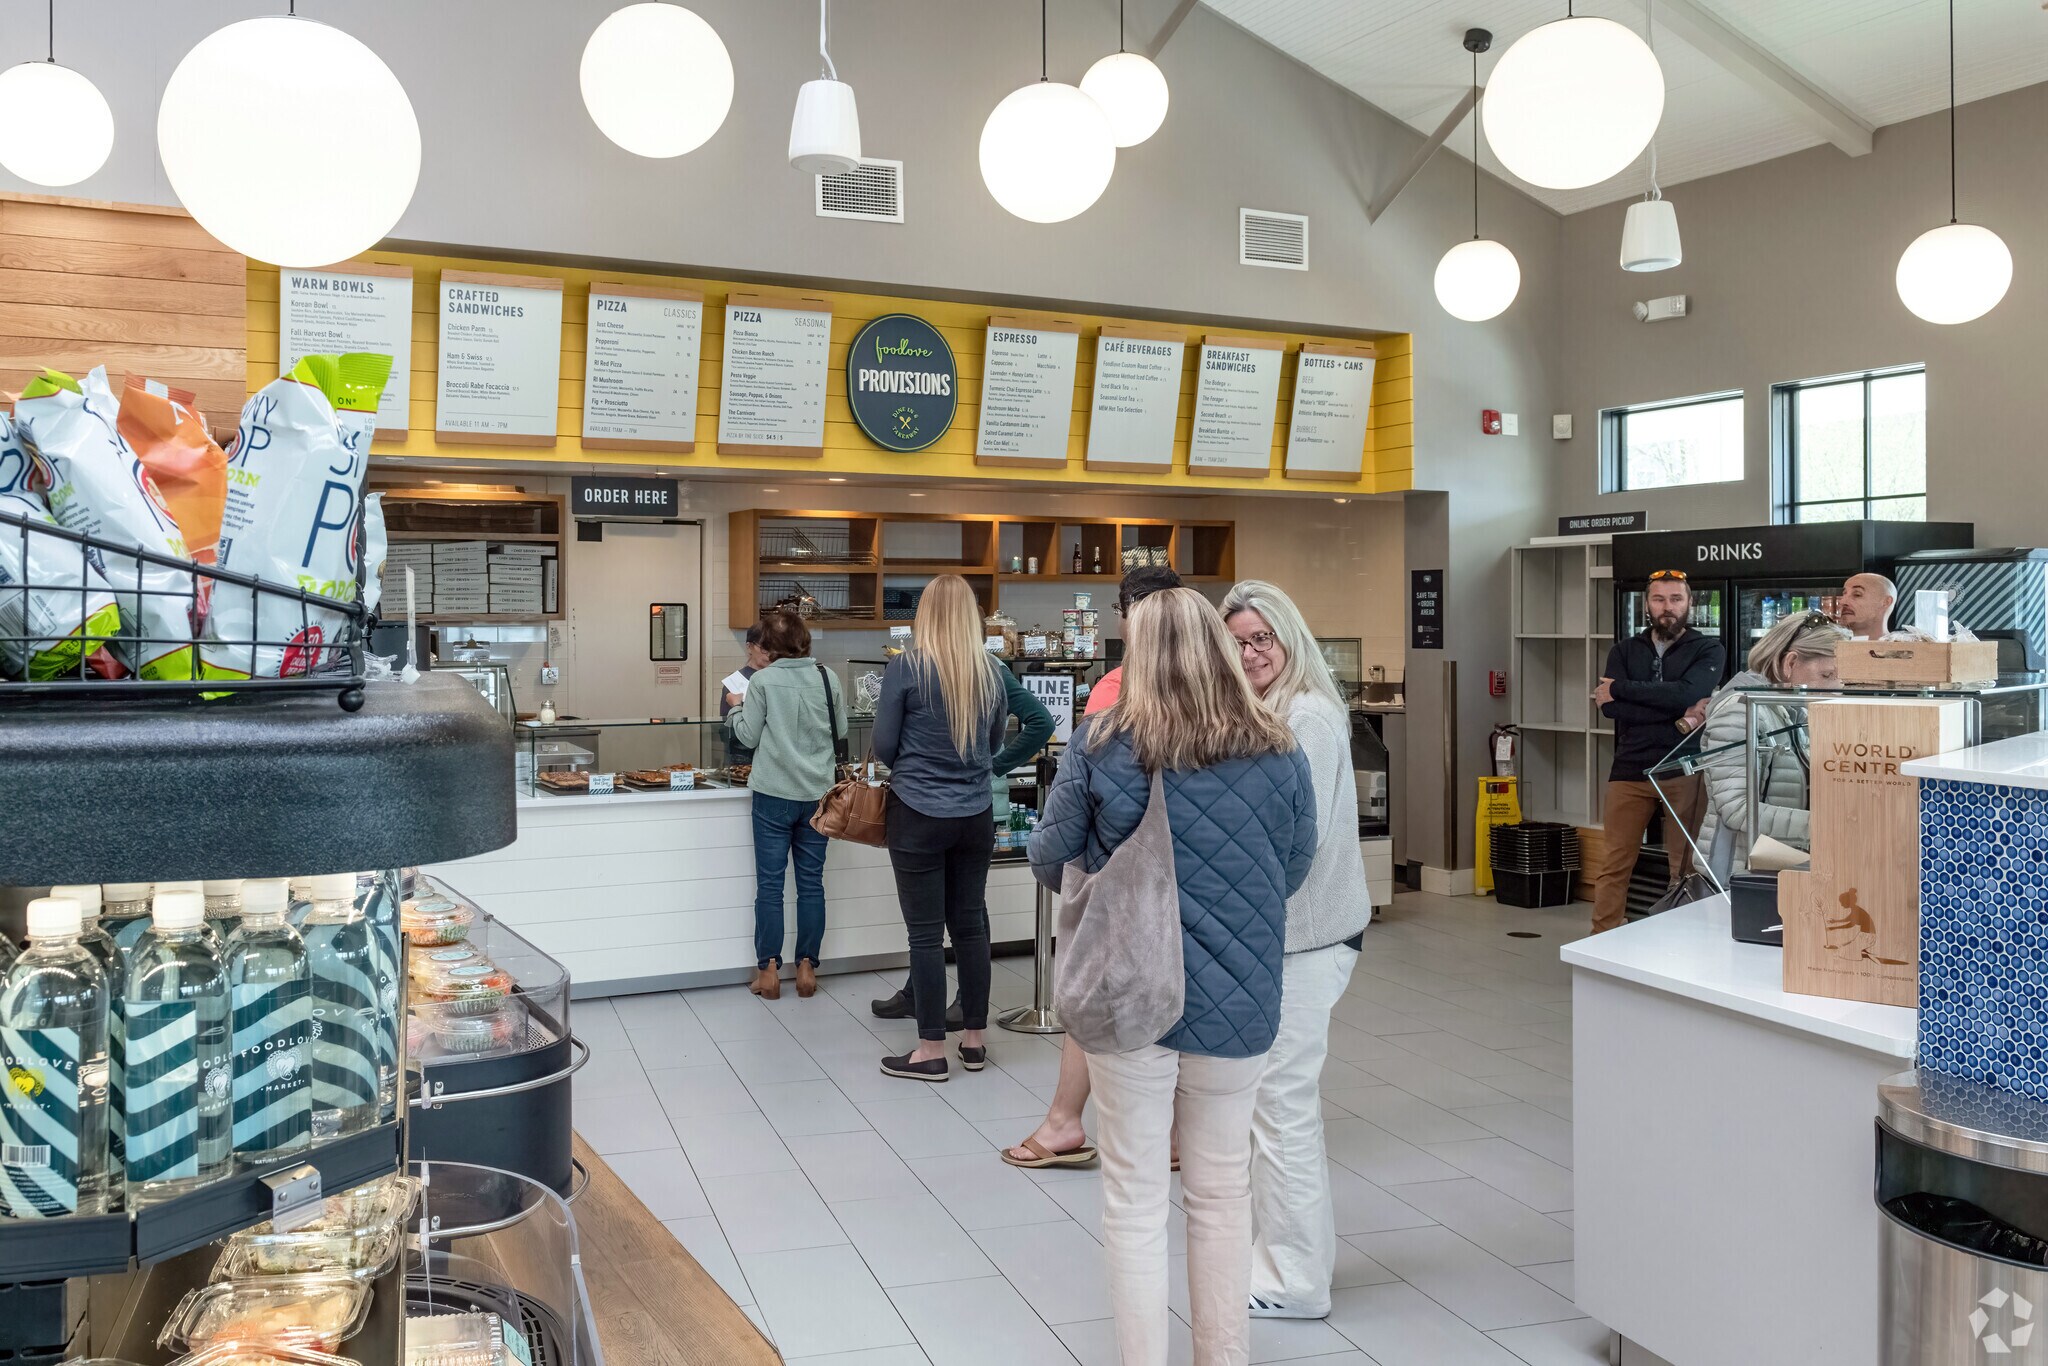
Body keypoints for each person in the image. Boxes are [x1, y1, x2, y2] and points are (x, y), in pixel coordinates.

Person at [1029, 587, 1316, 1366]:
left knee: (1133, 1195)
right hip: (1241, 997)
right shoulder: (1279, 747)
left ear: (1138, 653)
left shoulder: (1100, 744)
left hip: (1132, 996)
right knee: (1223, 1195)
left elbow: (1049, 859)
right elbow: (1292, 868)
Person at [997, 561, 1184, 1169]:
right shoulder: (1230, 709)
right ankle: (1181, 1139)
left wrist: (1073, 882)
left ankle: (1063, 1123)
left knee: (1092, 1008)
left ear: (1131, 619)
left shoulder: (1110, 698)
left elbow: (1061, 832)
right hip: (1199, 899)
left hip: (1118, 895)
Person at [1221, 580, 1371, 1321]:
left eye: (1262, 640)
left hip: (1306, 942)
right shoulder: (1267, 711)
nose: (1251, 653)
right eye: (1239, 640)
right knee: (1270, 1111)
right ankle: (1280, 1263)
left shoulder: (1306, 715)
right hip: (1279, 941)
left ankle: (1295, 1284)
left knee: (1281, 1112)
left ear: (1290, 640)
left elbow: (1289, 843)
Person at [873, 574, 1010, 1080]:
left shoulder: (905, 669)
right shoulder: (993, 670)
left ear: (925, 615)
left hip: (918, 813)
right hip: (975, 815)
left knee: (926, 936)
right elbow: (995, 743)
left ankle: (930, 1049)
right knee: (971, 927)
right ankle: (973, 1041)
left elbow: (884, 744)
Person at [867, 667, 1056, 1025]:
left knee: (951, 921)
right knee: (961, 916)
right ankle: (930, 1001)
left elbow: (1039, 722)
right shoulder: (986, 670)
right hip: (973, 805)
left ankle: (959, 1007)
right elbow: (1007, 731)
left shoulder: (925, 668)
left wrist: (994, 765)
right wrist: (988, 763)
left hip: (933, 802)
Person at [1590, 570, 1724, 934]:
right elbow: (1610, 708)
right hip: (1629, 769)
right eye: (1659, 599)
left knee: (1683, 866)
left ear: (1689, 603)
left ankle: (1679, 944)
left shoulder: (1708, 648)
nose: (1668, 608)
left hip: (1684, 767)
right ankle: (1601, 941)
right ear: (1647, 604)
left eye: (1676, 599)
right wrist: (1673, 707)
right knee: (1614, 863)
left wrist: (1622, 688)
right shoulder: (1624, 649)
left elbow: (1683, 694)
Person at [733, 610, 848, 1000]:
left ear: (770, 646)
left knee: (770, 885)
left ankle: (767, 971)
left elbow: (748, 736)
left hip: (773, 794)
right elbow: (843, 730)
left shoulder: (763, 681)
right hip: (817, 795)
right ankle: (806, 968)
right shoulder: (826, 676)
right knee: (811, 884)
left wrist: (735, 707)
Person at [1694, 611, 1848, 879]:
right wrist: (1828, 825)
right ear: (1790, 663)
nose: (1837, 688)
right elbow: (1736, 808)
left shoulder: (1789, 708)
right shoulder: (1741, 711)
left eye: (1842, 679)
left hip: (1775, 865)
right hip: (1736, 873)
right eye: (1827, 675)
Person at [720, 623, 770, 765]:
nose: (770, 654)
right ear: (749, 647)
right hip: (744, 758)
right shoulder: (735, 681)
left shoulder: (778, 678)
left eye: (775, 648)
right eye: (764, 648)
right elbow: (727, 729)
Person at [1836, 572, 1897, 640]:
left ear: (1886, 602)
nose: (1842, 601)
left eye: (1857, 594)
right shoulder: (1828, 648)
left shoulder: (1903, 649)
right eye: (1844, 594)